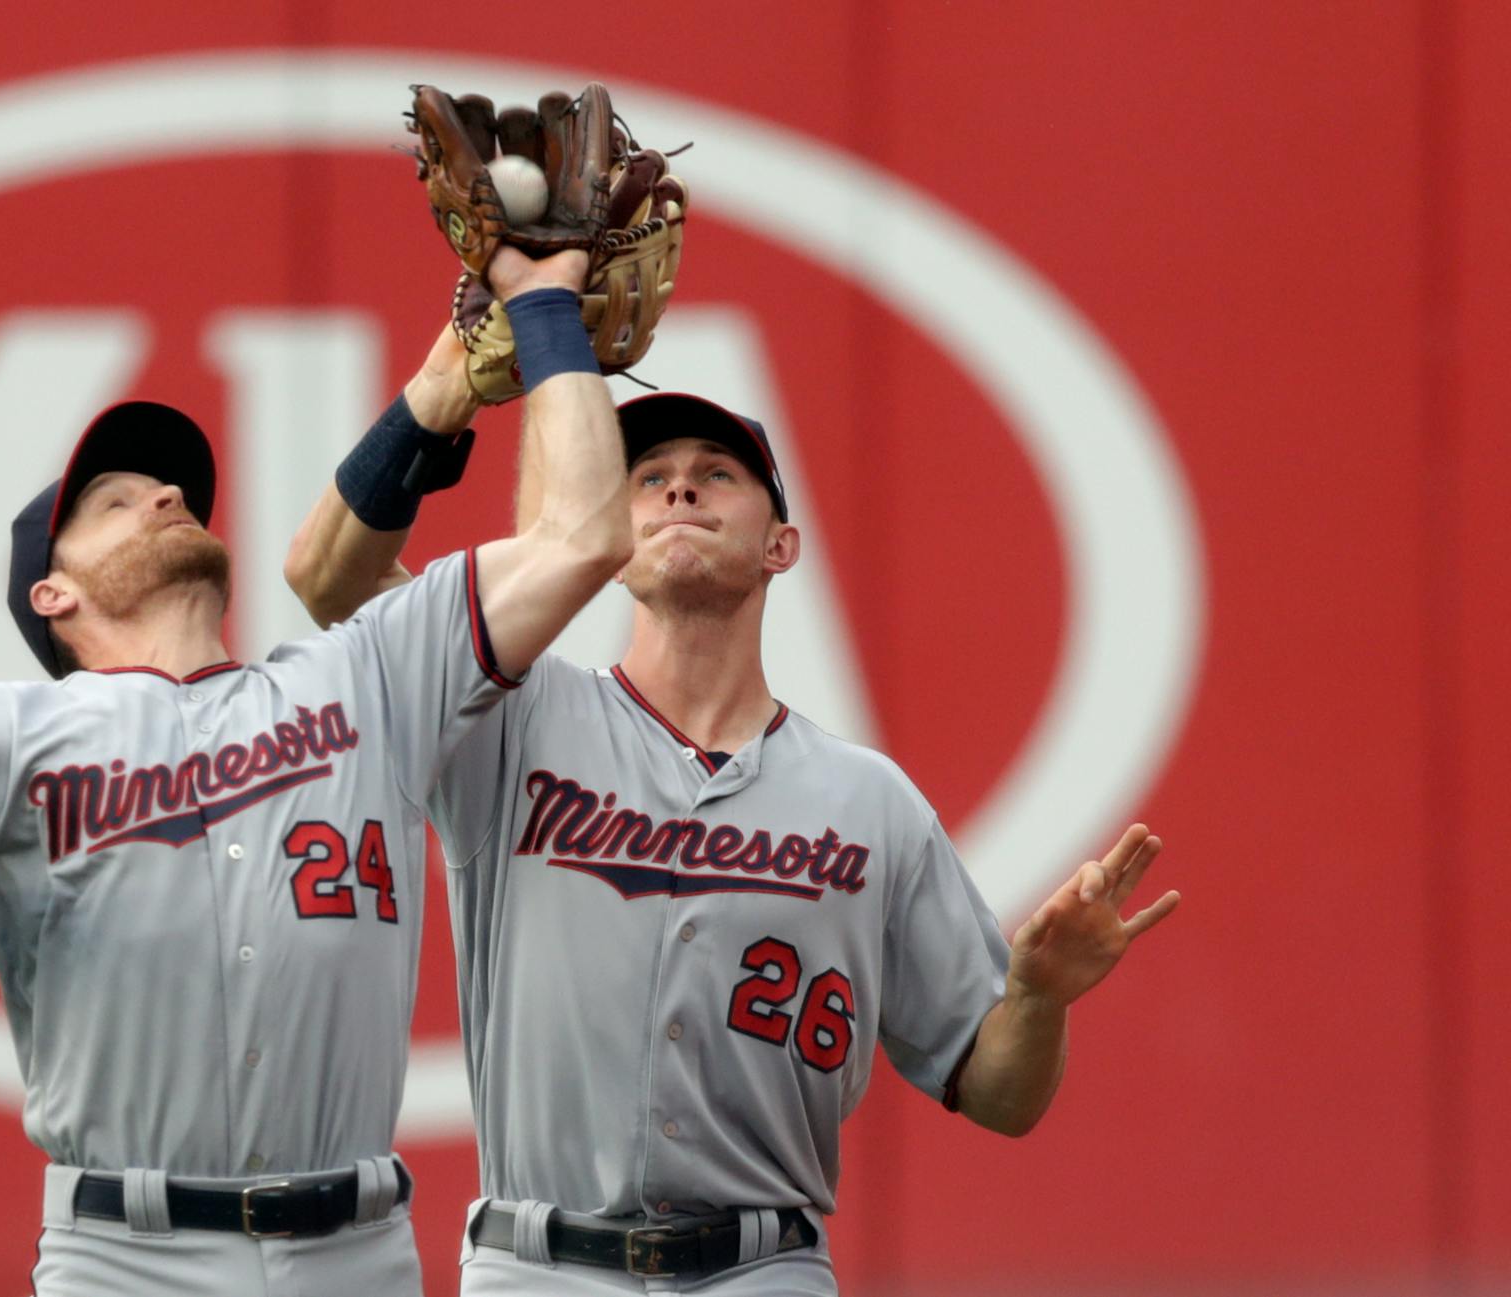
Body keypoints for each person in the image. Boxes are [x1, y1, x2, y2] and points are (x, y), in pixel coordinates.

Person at [0, 247, 632, 1297]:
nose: (159, 495)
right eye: (113, 500)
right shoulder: (6, 737)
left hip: (355, 1248)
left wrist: (547, 306)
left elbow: (584, 535)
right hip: (125, 1257)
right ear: (50, 598)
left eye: (168, 486)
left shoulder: (367, 674)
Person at [286, 341, 1183, 1293]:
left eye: (717, 474)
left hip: (764, 1268)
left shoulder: (870, 802)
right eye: (651, 477)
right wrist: (443, 391)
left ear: (780, 546)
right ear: (611, 545)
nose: (681, 490)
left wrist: (1038, 1000)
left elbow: (998, 1093)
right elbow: (332, 584)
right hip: (539, 1266)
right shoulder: (508, 719)